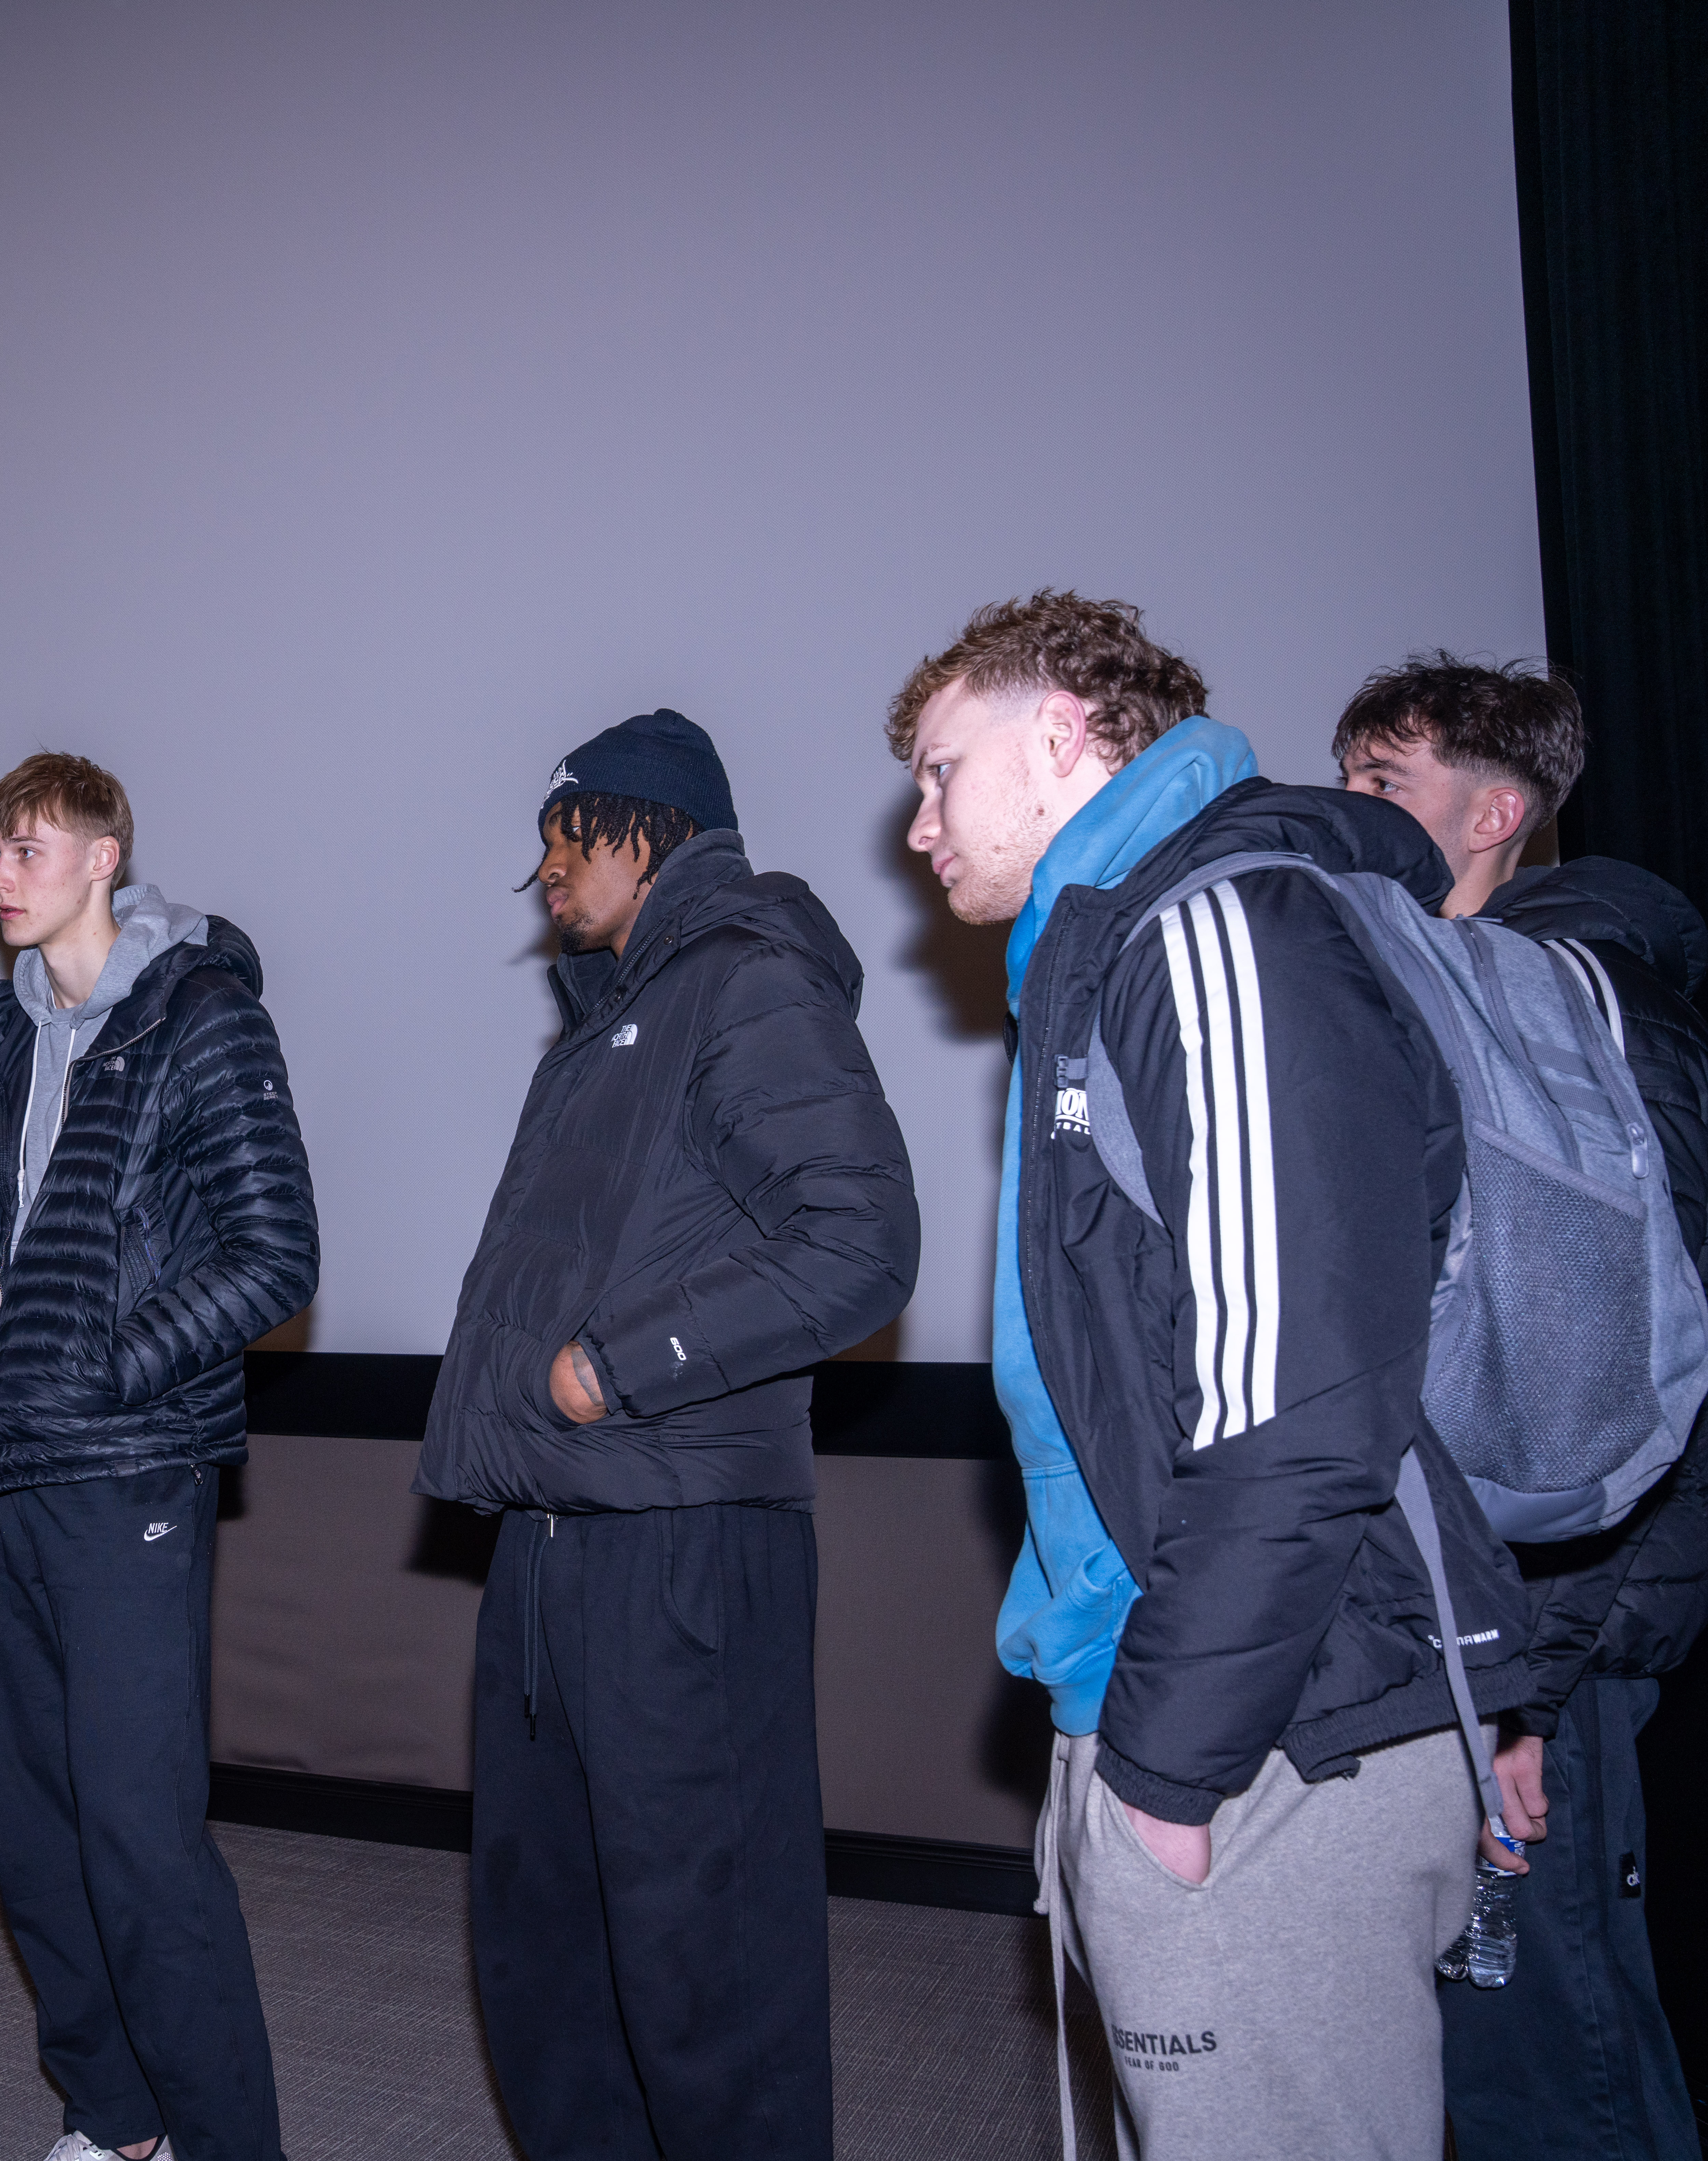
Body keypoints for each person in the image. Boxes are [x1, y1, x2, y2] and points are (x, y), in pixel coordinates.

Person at [891, 591, 1536, 2160]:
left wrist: (1170, 1771)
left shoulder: (1214, 927)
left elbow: (1295, 1402)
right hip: (1206, 1702)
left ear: (1061, 737)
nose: (918, 826)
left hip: (1263, 1737)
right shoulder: (1104, 954)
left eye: (937, 771)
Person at [412, 710, 919, 2161]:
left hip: (681, 1552)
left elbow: (863, 1241)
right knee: (546, 1962)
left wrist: (613, 1371)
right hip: (554, 1546)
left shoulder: (749, 984)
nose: (543, 879)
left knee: (711, 1977)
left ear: (633, 831)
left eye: (559, 843)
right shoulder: (608, 1017)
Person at [1335, 655, 1708, 2161]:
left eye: (1383, 789)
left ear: (1496, 814)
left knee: (1557, 2054)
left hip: (1551, 1637)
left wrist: (1525, 1697)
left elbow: (1593, 1388)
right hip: (1493, 1632)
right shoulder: (1473, 997)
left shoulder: (1578, 1017)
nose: (1343, 815)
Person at [0, 752, 317, 2161]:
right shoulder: (3, 1034)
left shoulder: (204, 1016)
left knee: (142, 1844)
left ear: (105, 859)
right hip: (3, 1471)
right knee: (34, 1840)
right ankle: (117, 2117)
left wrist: (111, 1365)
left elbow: (280, 1253)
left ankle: (226, 2142)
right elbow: (0, 1237)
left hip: (132, 1474)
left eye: (27, 849)